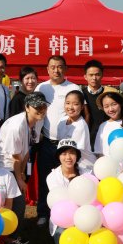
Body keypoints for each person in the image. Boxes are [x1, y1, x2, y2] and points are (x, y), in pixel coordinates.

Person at [0, 92, 49, 244]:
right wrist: (19, 178)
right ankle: (7, 236)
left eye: (43, 106)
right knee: (15, 201)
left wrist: (22, 173)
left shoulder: (38, 120)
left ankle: (11, 234)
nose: (41, 110)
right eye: (37, 107)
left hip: (17, 163)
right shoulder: (16, 126)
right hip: (4, 165)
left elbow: (27, 149)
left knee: (19, 201)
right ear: (27, 107)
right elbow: (14, 157)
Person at [34, 55, 79, 226]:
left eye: (60, 67)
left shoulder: (73, 88)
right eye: (52, 67)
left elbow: (81, 113)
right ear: (47, 69)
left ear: (65, 69)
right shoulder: (41, 87)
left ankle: (69, 212)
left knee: (69, 178)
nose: (56, 70)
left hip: (67, 144)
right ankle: (43, 213)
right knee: (45, 178)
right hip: (47, 142)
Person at [46, 139, 88, 244]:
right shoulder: (52, 177)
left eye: (72, 153)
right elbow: (60, 203)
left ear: (77, 156)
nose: (68, 157)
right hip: (63, 217)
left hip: (84, 214)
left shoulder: (86, 173)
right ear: (58, 157)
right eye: (64, 154)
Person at [94, 87, 123, 160]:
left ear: (120, 103)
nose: (110, 109)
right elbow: (99, 152)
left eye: (114, 104)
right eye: (106, 106)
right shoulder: (102, 126)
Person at [57, 90, 96, 172]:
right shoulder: (62, 121)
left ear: (82, 107)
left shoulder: (81, 126)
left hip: (83, 166)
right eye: (67, 103)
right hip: (68, 163)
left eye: (75, 104)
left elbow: (75, 153)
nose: (70, 107)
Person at [81, 60, 108, 146]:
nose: (94, 78)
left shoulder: (108, 94)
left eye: (97, 74)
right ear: (85, 76)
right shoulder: (80, 95)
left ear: (102, 75)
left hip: (104, 138)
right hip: (85, 139)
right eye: (91, 75)